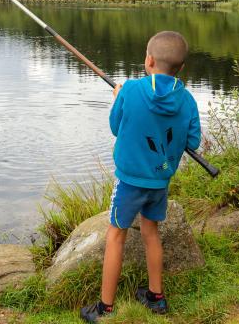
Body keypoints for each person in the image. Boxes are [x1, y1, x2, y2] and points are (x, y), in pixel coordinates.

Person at [80, 31, 201, 322]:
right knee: (150, 233)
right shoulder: (186, 100)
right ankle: (155, 298)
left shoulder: (131, 90)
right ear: (180, 67)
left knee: (115, 236)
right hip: (160, 182)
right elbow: (193, 141)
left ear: (148, 60)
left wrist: (118, 97)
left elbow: (115, 126)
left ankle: (105, 308)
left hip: (129, 182)